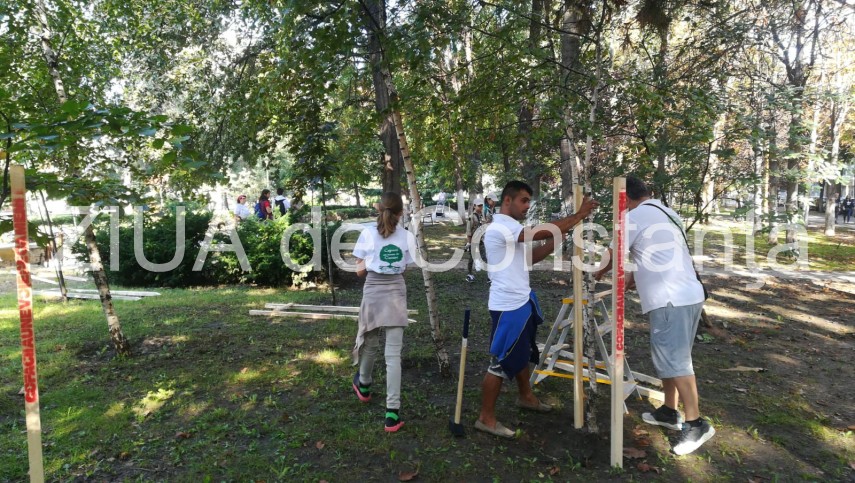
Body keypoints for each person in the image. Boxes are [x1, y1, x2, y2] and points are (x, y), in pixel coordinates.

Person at [594, 175, 714, 456]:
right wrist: (631, 281)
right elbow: (655, 257)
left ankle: (696, 424)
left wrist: (595, 273)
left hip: (670, 299)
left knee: (675, 360)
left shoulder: (633, 217)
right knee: (670, 357)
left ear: (625, 199)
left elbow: (612, 254)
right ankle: (669, 411)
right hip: (687, 296)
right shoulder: (666, 212)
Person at [475, 180, 599, 438]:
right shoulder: (499, 228)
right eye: (523, 201)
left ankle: (526, 397)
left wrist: (557, 237)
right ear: (507, 200)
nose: (527, 207)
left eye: (529, 201)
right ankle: (486, 418)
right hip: (507, 307)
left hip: (521, 301)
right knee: (499, 362)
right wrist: (578, 216)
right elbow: (537, 234)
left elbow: (529, 258)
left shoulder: (512, 228)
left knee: (522, 353)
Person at [351, 192, 416, 433]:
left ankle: (364, 386)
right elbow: (405, 269)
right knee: (393, 355)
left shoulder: (367, 233)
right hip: (396, 291)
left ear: (379, 209)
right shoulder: (407, 237)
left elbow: (358, 271)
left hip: (373, 290)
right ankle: (392, 414)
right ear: (401, 213)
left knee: (370, 342)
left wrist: (373, 261)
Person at [465, 197, 485, 283]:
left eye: (481, 206)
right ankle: (469, 274)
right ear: (474, 206)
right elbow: (469, 231)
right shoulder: (471, 217)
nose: (480, 207)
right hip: (473, 241)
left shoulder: (481, 216)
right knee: (471, 258)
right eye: (479, 206)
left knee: (484, 255)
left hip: (481, 240)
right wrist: (469, 243)